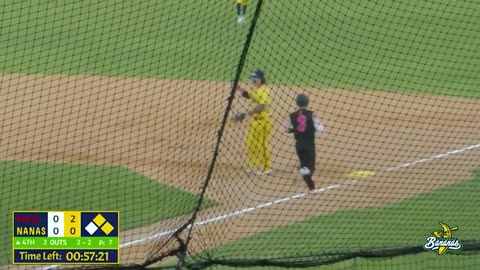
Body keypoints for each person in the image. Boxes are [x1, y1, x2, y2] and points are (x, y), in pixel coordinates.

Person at [233, 69, 272, 175]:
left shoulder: (263, 90)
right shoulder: (256, 89)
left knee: (262, 145)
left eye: (255, 78)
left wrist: (246, 114)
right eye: (252, 78)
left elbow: (262, 106)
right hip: (255, 121)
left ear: (261, 79)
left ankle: (266, 168)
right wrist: (238, 89)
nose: (253, 80)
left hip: (263, 121)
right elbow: (249, 95)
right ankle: (254, 166)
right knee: (251, 143)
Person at [287, 94, 324, 191]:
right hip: (309, 145)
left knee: (304, 165)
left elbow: (288, 129)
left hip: (298, 145)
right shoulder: (312, 114)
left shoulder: (292, 115)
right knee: (310, 168)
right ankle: (300, 170)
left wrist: (296, 129)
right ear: (307, 102)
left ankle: (311, 187)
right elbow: (320, 128)